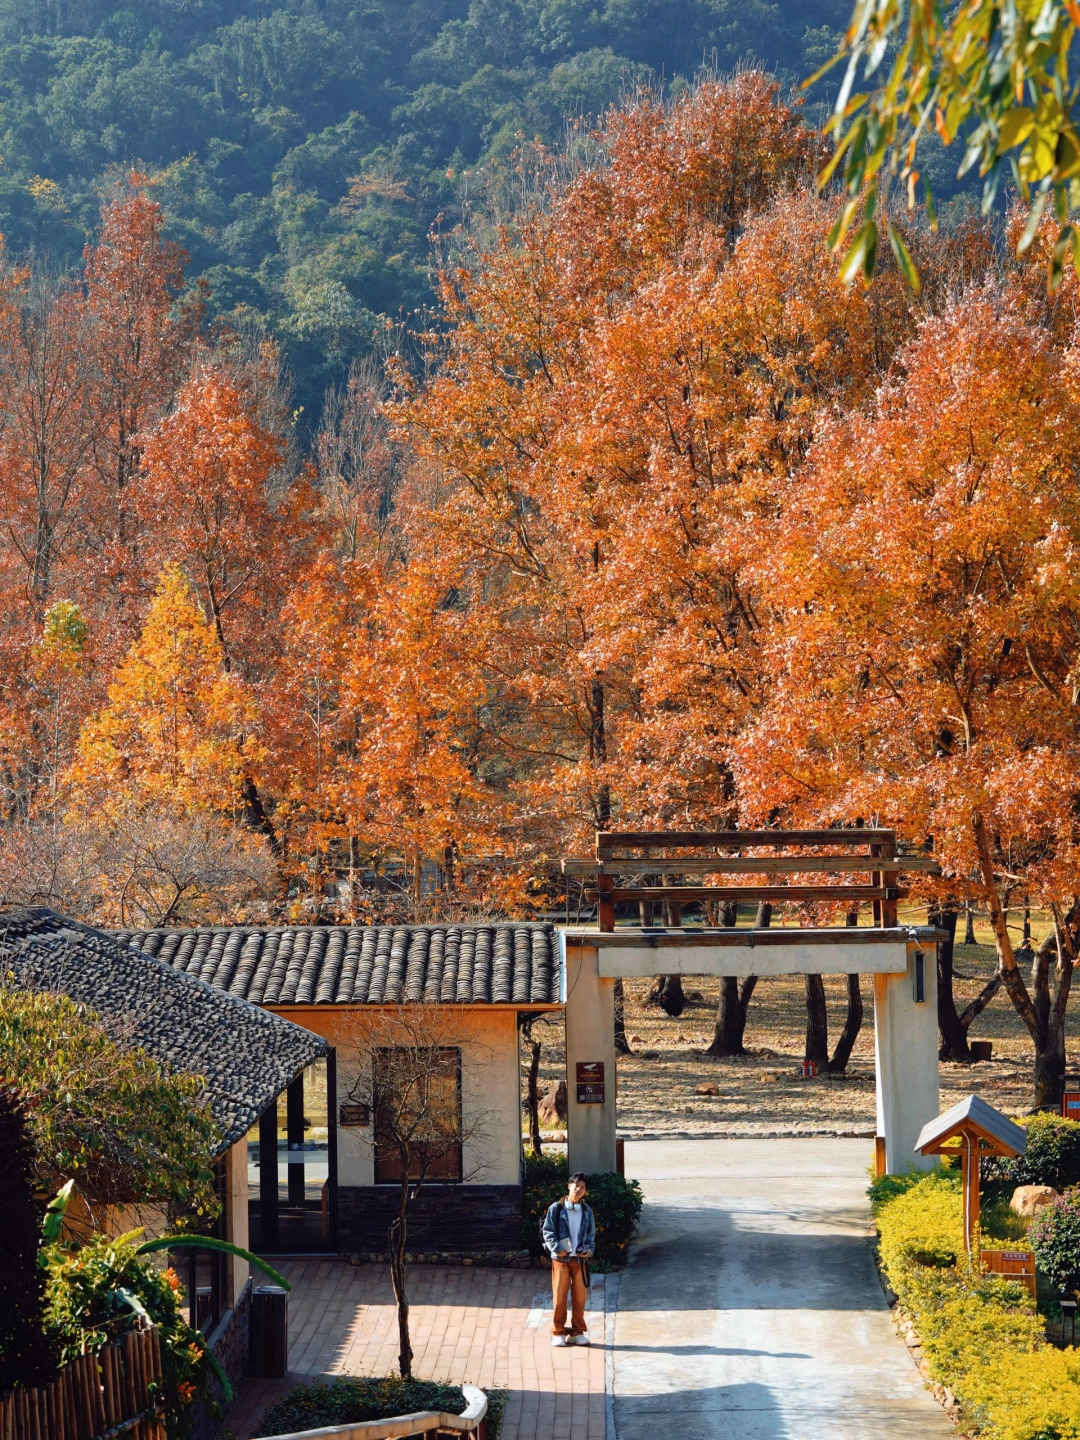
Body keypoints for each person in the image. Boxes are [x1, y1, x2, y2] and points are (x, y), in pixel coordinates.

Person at [542, 1171, 596, 1347]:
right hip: (561, 1260)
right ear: (569, 1186)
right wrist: (557, 1248)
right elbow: (548, 1231)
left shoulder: (586, 1211)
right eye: (576, 1185)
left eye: (582, 1187)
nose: (579, 1189)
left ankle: (577, 1332)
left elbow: (591, 1234)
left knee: (580, 1298)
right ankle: (558, 1332)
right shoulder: (556, 1208)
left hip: (579, 1261)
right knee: (559, 1297)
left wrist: (588, 1250)